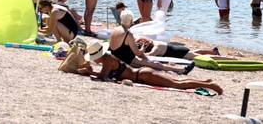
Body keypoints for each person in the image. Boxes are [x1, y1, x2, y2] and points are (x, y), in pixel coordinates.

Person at [78, 41, 223, 95]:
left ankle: (210, 85)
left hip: (143, 76)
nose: (94, 60)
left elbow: (103, 77)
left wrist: (89, 73)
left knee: (177, 85)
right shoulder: (106, 60)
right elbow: (105, 75)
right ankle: (205, 81)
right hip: (142, 75)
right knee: (175, 81)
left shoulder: (108, 59)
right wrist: (90, 72)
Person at [110, 10, 192, 74]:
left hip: (115, 56)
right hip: (126, 60)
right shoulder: (128, 34)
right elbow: (138, 53)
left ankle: (178, 69)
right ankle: (180, 70)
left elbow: (115, 46)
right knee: (157, 65)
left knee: (150, 61)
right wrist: (143, 48)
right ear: (131, 20)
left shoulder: (115, 29)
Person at [138, 37, 220, 60]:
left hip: (180, 53)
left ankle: (224, 58)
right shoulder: (154, 41)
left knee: (199, 57)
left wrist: (141, 51)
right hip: (179, 49)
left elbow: (150, 55)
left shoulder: (156, 48)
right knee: (194, 52)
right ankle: (213, 51)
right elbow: (139, 38)